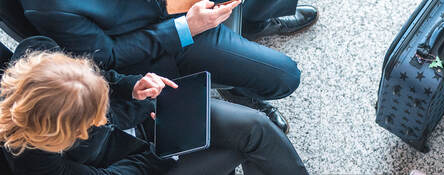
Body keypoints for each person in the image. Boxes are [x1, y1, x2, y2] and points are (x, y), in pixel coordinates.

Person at [0, 37, 308, 174]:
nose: (100, 119)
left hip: (145, 118)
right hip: (138, 165)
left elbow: (103, 76)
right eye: (92, 120)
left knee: (255, 128)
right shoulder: (32, 158)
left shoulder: (37, 49)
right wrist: (161, 156)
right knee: (232, 149)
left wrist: (130, 84)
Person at [19, 0, 319, 133]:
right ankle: (239, 90)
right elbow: (108, 56)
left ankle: (258, 21)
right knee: (285, 76)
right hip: (165, 33)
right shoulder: (46, 6)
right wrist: (185, 27)